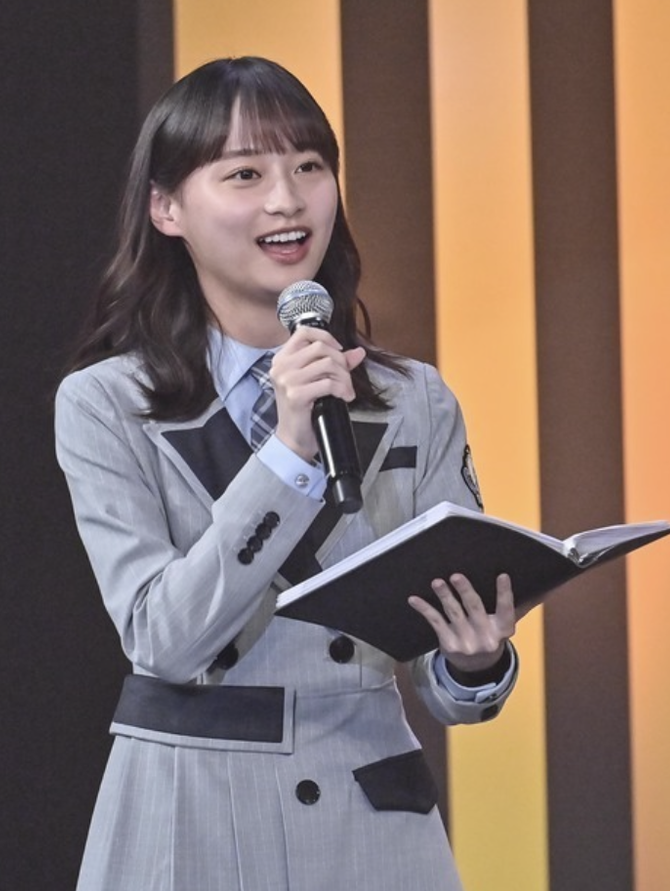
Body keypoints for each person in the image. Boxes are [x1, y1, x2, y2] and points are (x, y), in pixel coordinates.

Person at [56, 56, 521, 891]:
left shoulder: (413, 398)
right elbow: (163, 637)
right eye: (245, 173)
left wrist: (476, 661)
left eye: (309, 166)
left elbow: (450, 685)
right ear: (167, 208)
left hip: (369, 809)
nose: (287, 200)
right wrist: (286, 453)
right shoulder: (106, 404)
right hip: (190, 812)